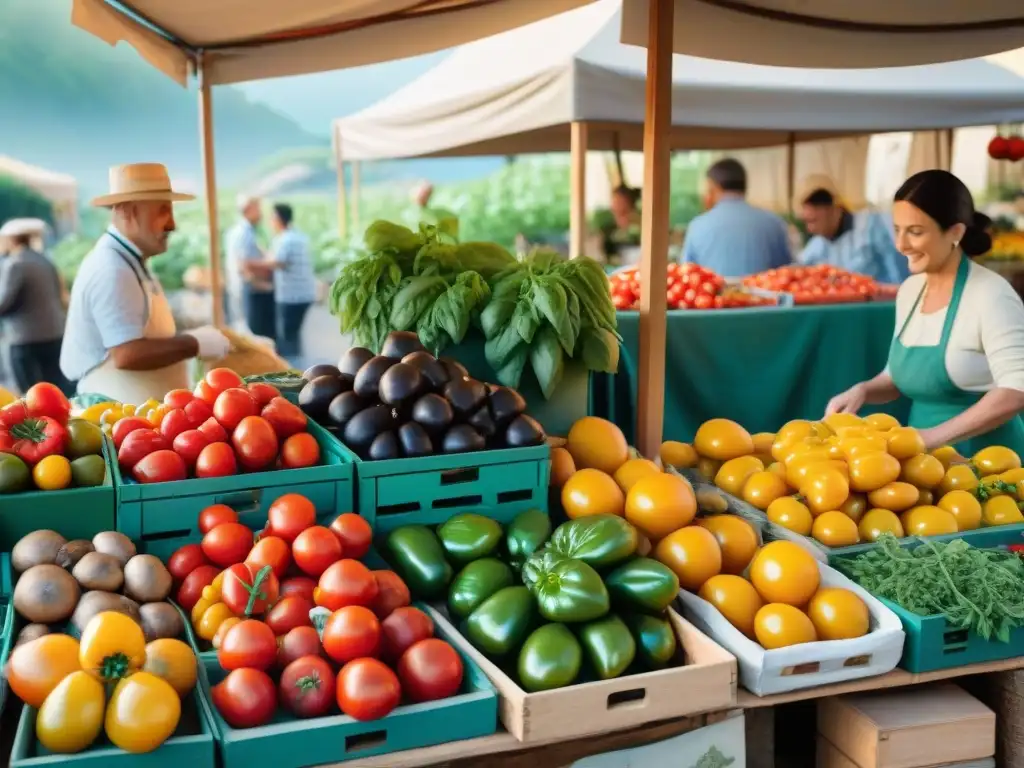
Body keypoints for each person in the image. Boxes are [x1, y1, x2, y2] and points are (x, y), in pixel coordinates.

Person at [825, 170, 1024, 456]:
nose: (901, 245)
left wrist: (932, 438)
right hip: (926, 463)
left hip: (988, 462)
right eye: (897, 230)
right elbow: (896, 377)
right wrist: (864, 391)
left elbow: (1016, 391)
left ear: (955, 232)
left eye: (915, 232)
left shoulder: (992, 295)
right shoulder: (910, 291)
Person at [60, 163, 231, 403]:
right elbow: (126, 354)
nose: (172, 223)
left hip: (142, 420)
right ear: (127, 211)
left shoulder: (130, 261)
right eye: (162, 210)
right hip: (116, 421)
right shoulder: (112, 269)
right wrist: (195, 343)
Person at [682, 158, 791, 277]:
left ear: (711, 186)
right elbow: (785, 271)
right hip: (762, 294)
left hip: (714, 294)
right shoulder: (774, 223)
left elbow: (687, 274)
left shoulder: (698, 226)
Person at [0, 218, 72, 394]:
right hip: (54, 334)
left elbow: (5, 302)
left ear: (11, 240)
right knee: (56, 390)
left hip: (25, 339)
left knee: (30, 396)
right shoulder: (45, 261)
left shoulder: (15, 264)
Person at [796, 174, 909, 284]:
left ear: (832, 209)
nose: (810, 229)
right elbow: (796, 271)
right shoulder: (817, 245)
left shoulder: (871, 227)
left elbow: (899, 275)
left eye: (813, 221)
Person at [248, 203, 317, 360]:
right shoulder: (298, 236)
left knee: (287, 336)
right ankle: (298, 366)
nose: (270, 222)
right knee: (292, 333)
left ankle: (292, 373)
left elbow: (277, 262)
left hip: (292, 296)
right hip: (304, 293)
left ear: (278, 219)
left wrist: (248, 263)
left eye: (272, 218)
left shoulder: (285, 240)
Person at [226, 195, 275, 339]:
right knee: (249, 332)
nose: (261, 213)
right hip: (246, 288)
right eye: (258, 209)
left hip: (243, 286)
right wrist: (259, 283)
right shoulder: (243, 233)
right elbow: (243, 264)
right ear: (249, 210)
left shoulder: (242, 231)